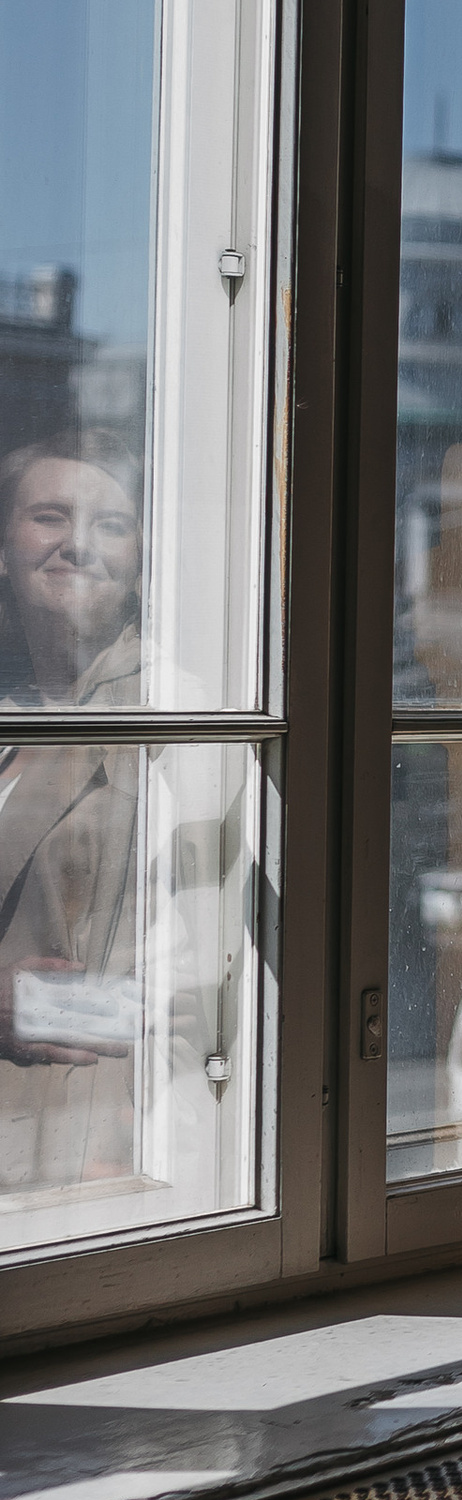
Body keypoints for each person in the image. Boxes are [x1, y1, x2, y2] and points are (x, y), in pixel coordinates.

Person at [0, 435, 164, 1195]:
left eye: (111, 524)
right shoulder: (15, 712)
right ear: (4, 547)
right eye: (48, 516)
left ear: (140, 561)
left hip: (75, 1150)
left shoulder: (179, 713)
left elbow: (222, 988)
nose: (77, 544)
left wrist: (28, 1004)